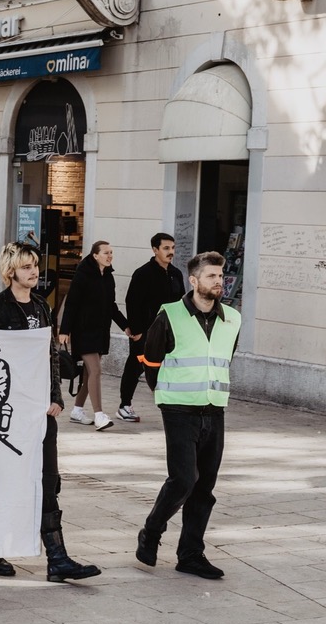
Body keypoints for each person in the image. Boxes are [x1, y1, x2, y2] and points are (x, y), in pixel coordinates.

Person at [0, 242, 101, 583]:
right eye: (27, 266)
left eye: (35, 266)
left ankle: (57, 558)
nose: (34, 271)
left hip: (41, 412)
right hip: (7, 412)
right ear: (10, 271)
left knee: (48, 481)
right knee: (4, 479)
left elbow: (50, 357)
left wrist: (57, 396)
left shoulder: (42, 309)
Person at [135, 252, 239, 580]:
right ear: (194, 281)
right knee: (184, 479)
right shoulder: (170, 315)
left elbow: (223, 359)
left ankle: (191, 554)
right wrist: (165, 395)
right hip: (178, 408)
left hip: (214, 408)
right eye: (211, 276)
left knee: (204, 487)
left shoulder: (232, 319)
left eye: (220, 276)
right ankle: (151, 531)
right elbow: (151, 361)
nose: (218, 281)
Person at [58, 241, 132, 432]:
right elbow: (71, 304)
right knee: (96, 370)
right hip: (83, 331)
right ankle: (99, 415)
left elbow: (111, 306)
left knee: (89, 373)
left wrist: (125, 326)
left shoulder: (108, 277)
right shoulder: (82, 275)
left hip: (100, 331)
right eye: (106, 253)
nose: (110, 256)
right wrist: (64, 331)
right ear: (95, 255)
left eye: (111, 253)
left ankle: (77, 410)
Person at [118, 233, 186, 421]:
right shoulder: (143, 273)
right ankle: (124, 405)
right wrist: (137, 330)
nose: (170, 252)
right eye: (166, 248)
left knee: (170, 366)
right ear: (155, 250)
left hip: (171, 332)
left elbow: (181, 301)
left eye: (172, 248)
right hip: (146, 331)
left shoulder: (176, 274)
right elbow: (132, 302)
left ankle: (172, 403)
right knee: (136, 366)